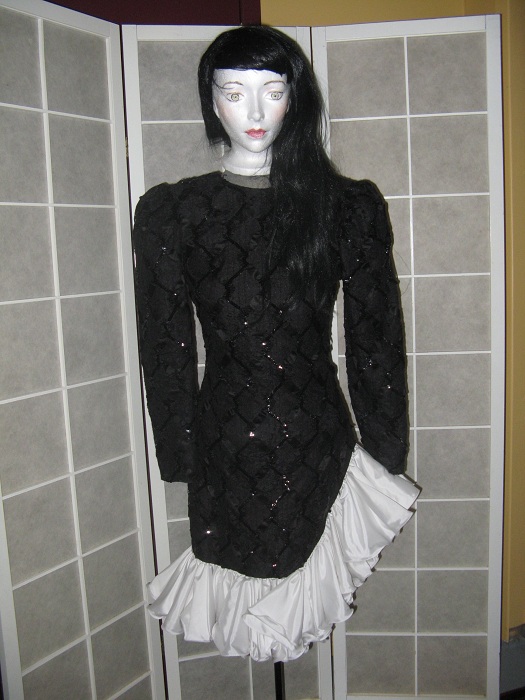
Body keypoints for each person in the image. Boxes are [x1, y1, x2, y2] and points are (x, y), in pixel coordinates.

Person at [133, 25, 419, 663]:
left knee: (304, 573)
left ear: (296, 98)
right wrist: (180, 452)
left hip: (318, 439)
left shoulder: (345, 206)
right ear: (212, 102)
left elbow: (376, 340)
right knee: (242, 580)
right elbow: (165, 348)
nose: (255, 111)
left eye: (273, 90)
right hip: (225, 446)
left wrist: (385, 450)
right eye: (234, 92)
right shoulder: (173, 213)